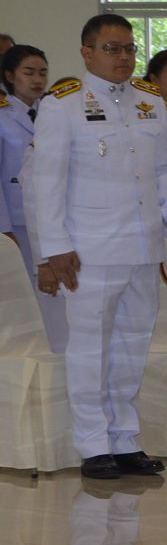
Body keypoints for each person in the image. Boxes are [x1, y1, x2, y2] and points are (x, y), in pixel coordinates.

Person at [28, 14, 167, 478]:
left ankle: (123, 438)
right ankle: (92, 443)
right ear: (87, 53)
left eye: (129, 49)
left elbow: (163, 172)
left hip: (142, 246)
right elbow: (46, 181)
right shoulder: (63, 104)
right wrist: (54, 247)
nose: (123, 57)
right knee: (89, 349)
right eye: (112, 48)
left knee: (132, 346)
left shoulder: (150, 101)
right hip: (89, 250)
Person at [0, 44, 65, 347]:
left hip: (52, 217)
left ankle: (56, 349)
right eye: (29, 72)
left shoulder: (55, 112)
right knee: (27, 293)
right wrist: (4, 229)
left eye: (42, 73)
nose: (37, 80)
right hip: (17, 221)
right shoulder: (3, 116)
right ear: (10, 76)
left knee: (56, 293)